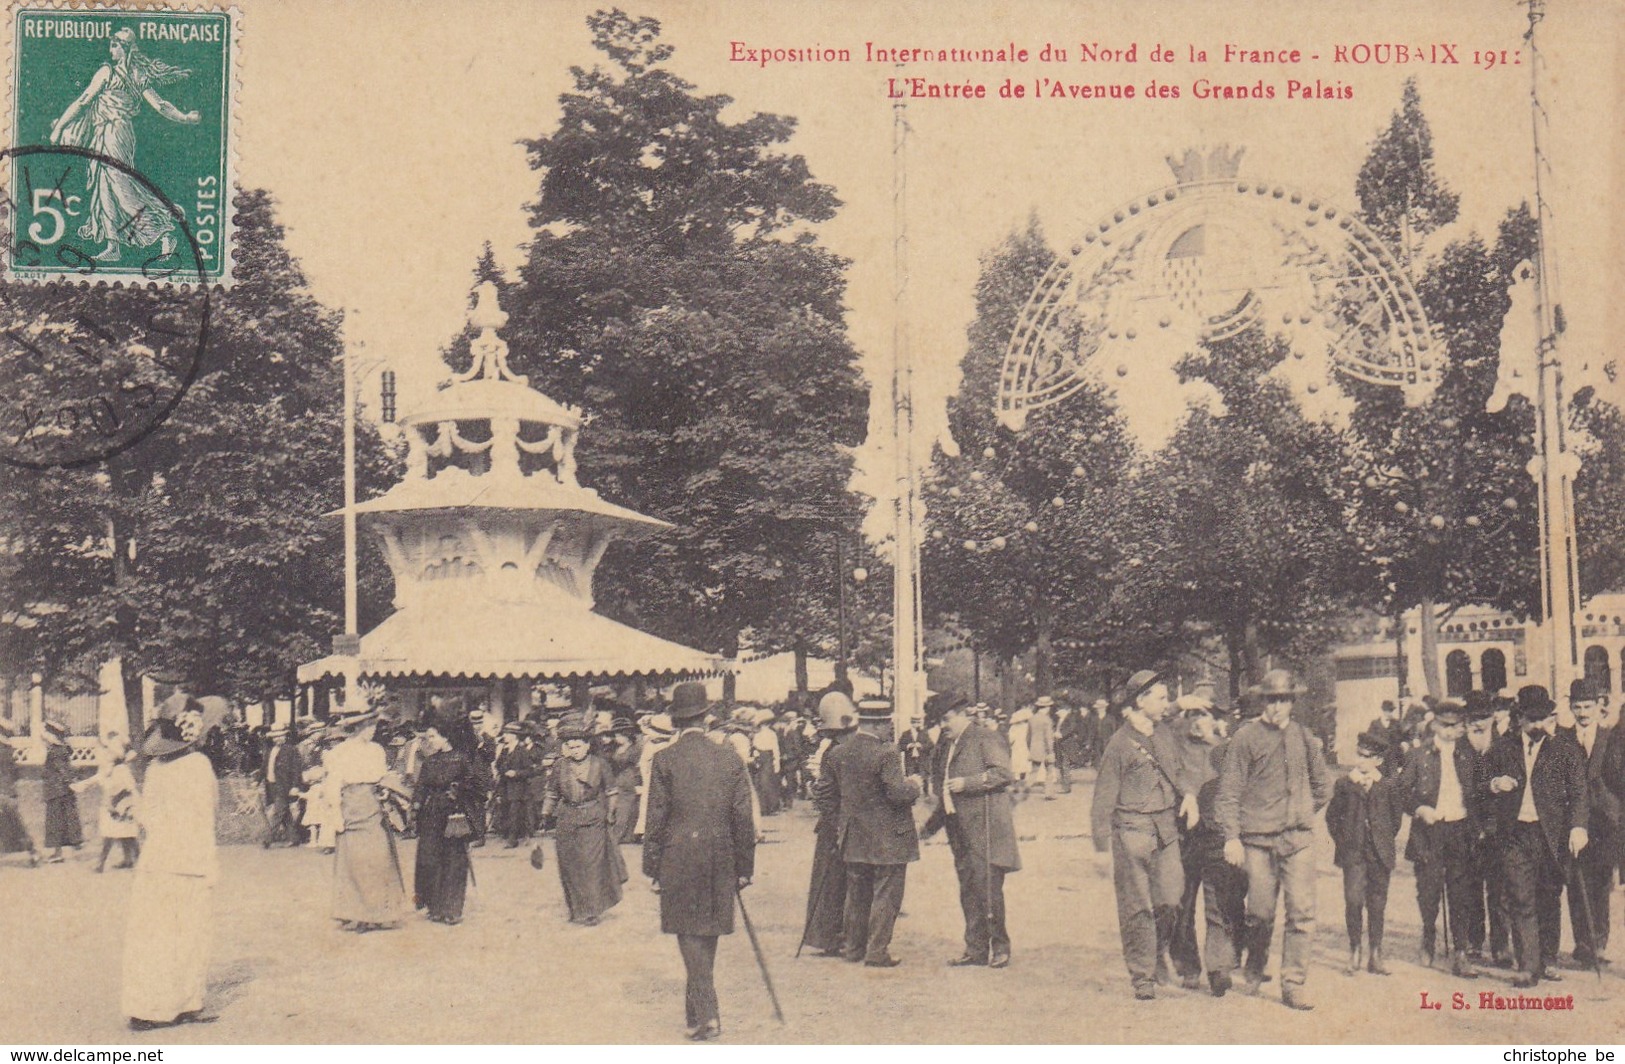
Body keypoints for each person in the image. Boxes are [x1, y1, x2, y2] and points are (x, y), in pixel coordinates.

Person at [642, 683, 756, 1042]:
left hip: (678, 857)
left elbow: (655, 817)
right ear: (707, 719)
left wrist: (652, 866)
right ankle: (700, 1014)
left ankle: (705, 1015)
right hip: (721, 856)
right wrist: (745, 867)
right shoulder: (730, 758)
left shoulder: (664, 759)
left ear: (675, 722)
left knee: (688, 932)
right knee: (707, 933)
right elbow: (742, 817)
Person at [1215, 668, 1331, 1011]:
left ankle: (1293, 983)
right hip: (1257, 841)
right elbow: (1229, 792)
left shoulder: (1304, 737)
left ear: (1292, 702)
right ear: (1262, 700)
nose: (1278, 706)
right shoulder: (1245, 738)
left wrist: (1301, 811)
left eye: (1284, 700)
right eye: (1271, 699)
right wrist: (1232, 837)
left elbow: (1323, 785)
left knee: (1302, 913)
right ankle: (1255, 964)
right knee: (1261, 912)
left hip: (1297, 840)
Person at [47, 27, 200, 262]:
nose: (111, 49)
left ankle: (162, 231)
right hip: (106, 132)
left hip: (115, 133)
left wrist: (184, 118)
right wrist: (184, 117)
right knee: (104, 186)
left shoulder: (112, 73)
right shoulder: (131, 73)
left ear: (125, 48)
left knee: (120, 185)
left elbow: (84, 100)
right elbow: (159, 105)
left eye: (114, 45)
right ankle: (113, 246)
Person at [1478, 684, 1588, 987]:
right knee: (1520, 897)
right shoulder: (1502, 748)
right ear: (1519, 718)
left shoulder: (1564, 748)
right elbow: (1480, 783)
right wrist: (1494, 784)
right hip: (1515, 835)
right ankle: (1528, 966)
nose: (1539, 725)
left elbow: (1579, 791)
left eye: (1544, 718)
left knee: (1549, 897)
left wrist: (1579, 827)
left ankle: (1548, 959)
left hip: (1551, 836)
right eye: (1532, 719)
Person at [1091, 670, 1185, 1000]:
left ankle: (1157, 951)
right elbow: (1103, 796)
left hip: (1167, 831)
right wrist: (1101, 846)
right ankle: (1142, 975)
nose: (1166, 703)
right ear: (1141, 700)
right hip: (1132, 831)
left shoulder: (1165, 735)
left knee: (1171, 901)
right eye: (1161, 697)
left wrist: (1188, 796)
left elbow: (1178, 773)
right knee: (1136, 907)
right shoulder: (1119, 744)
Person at [121, 714, 217, 1030]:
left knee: (154, 933)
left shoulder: (154, 769)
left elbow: (147, 816)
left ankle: (148, 1007)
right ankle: (186, 1003)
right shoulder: (198, 765)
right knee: (189, 935)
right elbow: (209, 811)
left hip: (158, 860)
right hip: (190, 859)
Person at [817, 696, 921, 967]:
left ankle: (853, 949)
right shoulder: (886, 753)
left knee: (857, 895)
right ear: (878, 725)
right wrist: (915, 785)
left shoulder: (838, 753)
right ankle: (877, 951)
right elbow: (897, 793)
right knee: (886, 896)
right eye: (887, 724)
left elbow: (825, 794)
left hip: (854, 838)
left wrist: (839, 822)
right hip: (888, 839)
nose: (890, 729)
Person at [921, 694, 1020, 969]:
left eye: (946, 719)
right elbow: (945, 792)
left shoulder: (984, 737)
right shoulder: (945, 746)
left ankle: (1000, 947)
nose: (943, 725)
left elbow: (1003, 773)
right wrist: (929, 827)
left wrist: (969, 782)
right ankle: (975, 949)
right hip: (958, 829)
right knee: (968, 890)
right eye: (939, 721)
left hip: (985, 827)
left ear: (962, 714)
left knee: (988, 890)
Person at [1168, 692, 1245, 996]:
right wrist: (1178, 705)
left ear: (1216, 719)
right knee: (1181, 905)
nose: (1198, 721)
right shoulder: (1174, 745)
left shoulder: (1225, 752)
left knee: (1217, 905)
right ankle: (1188, 965)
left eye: (1205, 714)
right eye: (1193, 715)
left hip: (1214, 837)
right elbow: (1158, 721)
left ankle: (1218, 968)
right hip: (1182, 837)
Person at [1400, 700, 1483, 976]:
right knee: (1429, 890)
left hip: (1460, 829)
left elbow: (1478, 791)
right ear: (1435, 724)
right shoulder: (1418, 755)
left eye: (1457, 726)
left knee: (1461, 893)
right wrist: (1420, 808)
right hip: (1429, 832)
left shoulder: (1468, 754)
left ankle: (1460, 951)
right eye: (1446, 725)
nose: (1452, 731)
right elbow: (1402, 792)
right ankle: (1428, 933)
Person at [1326, 729, 1405, 976]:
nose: (1360, 761)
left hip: (1379, 854)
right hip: (1354, 854)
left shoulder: (1388, 785)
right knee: (1353, 900)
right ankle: (1355, 950)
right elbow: (1332, 818)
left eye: (1366, 756)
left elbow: (1395, 820)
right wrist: (1346, 841)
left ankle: (1375, 953)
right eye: (1358, 755)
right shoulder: (1345, 785)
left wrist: (1381, 840)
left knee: (1377, 904)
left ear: (1378, 761)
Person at [325, 711, 408, 933]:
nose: (372, 732)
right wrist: (335, 814)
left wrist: (384, 792)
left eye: (374, 727)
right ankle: (356, 913)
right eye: (369, 727)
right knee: (354, 860)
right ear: (358, 728)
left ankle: (381, 913)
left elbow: (381, 777)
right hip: (350, 806)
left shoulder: (376, 750)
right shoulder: (338, 752)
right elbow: (333, 784)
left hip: (372, 806)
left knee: (378, 856)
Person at [542, 719, 627, 926]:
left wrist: (610, 813)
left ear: (587, 745)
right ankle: (577, 909)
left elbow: (612, 791)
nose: (575, 751)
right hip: (567, 820)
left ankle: (591, 911)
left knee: (590, 867)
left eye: (579, 746)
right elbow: (552, 794)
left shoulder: (600, 764)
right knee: (570, 866)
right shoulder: (560, 766)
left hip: (593, 820)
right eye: (570, 747)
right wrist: (545, 815)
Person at [1563, 679, 1619, 967]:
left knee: (1600, 883)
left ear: (1599, 706)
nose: (1583, 712)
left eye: (1588, 706)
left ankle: (1598, 941)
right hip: (1573, 821)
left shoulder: (1612, 738)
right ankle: (1582, 942)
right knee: (1576, 881)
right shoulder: (1563, 739)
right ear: (1570, 707)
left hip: (1604, 823)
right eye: (1577, 707)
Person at [411, 722, 487, 925]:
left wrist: (459, 789)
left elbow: (479, 786)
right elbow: (421, 786)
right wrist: (417, 804)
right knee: (431, 860)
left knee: (454, 861)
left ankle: (452, 909)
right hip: (432, 814)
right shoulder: (430, 761)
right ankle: (435, 907)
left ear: (445, 737)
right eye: (427, 737)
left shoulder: (462, 759)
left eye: (433, 736)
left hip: (454, 814)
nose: (429, 741)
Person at [801, 691, 858, 957]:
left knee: (831, 882)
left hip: (833, 823)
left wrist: (819, 799)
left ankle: (830, 935)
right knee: (846, 882)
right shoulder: (854, 747)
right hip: (850, 823)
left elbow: (824, 791)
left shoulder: (831, 752)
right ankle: (845, 935)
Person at [1463, 691, 1513, 967]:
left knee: (1499, 890)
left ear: (1493, 718)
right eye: (1473, 719)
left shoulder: (1505, 747)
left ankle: (1500, 944)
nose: (1478, 724)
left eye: (1483, 717)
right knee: (1470, 887)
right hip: (1467, 827)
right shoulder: (1459, 749)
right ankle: (1473, 941)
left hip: (1497, 829)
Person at [74, 733, 141, 873]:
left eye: (109, 752)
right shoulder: (109, 769)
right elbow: (98, 778)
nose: (106, 755)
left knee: (115, 834)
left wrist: (121, 799)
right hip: (113, 804)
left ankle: (101, 864)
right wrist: (83, 784)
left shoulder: (121, 769)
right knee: (125, 834)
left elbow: (129, 786)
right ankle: (130, 860)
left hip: (121, 805)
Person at [41, 719, 84, 863]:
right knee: (66, 819)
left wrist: (70, 782)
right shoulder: (62, 749)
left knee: (55, 821)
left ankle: (58, 853)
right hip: (63, 791)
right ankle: (72, 847)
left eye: (45, 733)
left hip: (56, 791)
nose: (43, 736)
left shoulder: (55, 751)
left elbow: (62, 770)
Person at [493, 722, 541, 847]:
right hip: (505, 787)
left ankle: (512, 839)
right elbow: (498, 765)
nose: (505, 736)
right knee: (506, 811)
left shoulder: (522, 751)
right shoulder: (504, 750)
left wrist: (516, 773)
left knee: (514, 813)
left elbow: (530, 770)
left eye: (507, 734)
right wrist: (504, 771)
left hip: (519, 788)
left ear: (514, 736)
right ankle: (514, 835)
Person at [0, 718, 40, 866]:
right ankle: (32, 851)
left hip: (3, 793)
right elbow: (16, 774)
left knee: (14, 824)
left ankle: (33, 851)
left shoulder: (2, 751)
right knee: (14, 824)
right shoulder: (8, 750)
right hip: (9, 793)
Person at [260, 723, 304, 848]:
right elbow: (264, 767)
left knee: (278, 812)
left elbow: (296, 769)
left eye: (280, 736)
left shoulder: (291, 750)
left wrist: (295, 786)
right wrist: (256, 780)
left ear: (285, 737)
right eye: (275, 737)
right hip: (271, 785)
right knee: (285, 813)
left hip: (285, 785)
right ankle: (294, 838)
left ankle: (268, 839)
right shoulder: (270, 751)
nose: (278, 739)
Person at [1028, 696, 1056, 794]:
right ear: (1048, 707)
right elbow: (1048, 738)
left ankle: (1022, 790)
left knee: (1034, 771)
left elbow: (1028, 736)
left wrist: (1030, 748)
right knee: (1049, 771)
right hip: (1045, 750)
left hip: (1034, 748)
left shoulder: (1032, 718)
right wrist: (1051, 752)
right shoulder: (1047, 720)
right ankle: (1049, 793)